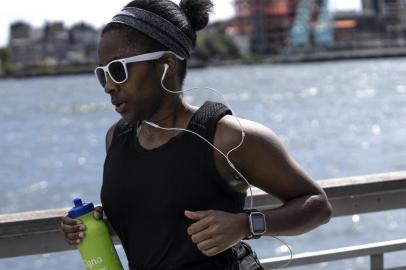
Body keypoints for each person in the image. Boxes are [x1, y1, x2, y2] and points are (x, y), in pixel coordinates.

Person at [61, 0, 332, 269]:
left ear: (166, 65)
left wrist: (244, 224)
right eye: (102, 73)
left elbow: (318, 206)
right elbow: (159, 230)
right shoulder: (117, 139)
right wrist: (96, 229)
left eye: (118, 70)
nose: (108, 86)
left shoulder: (225, 136)